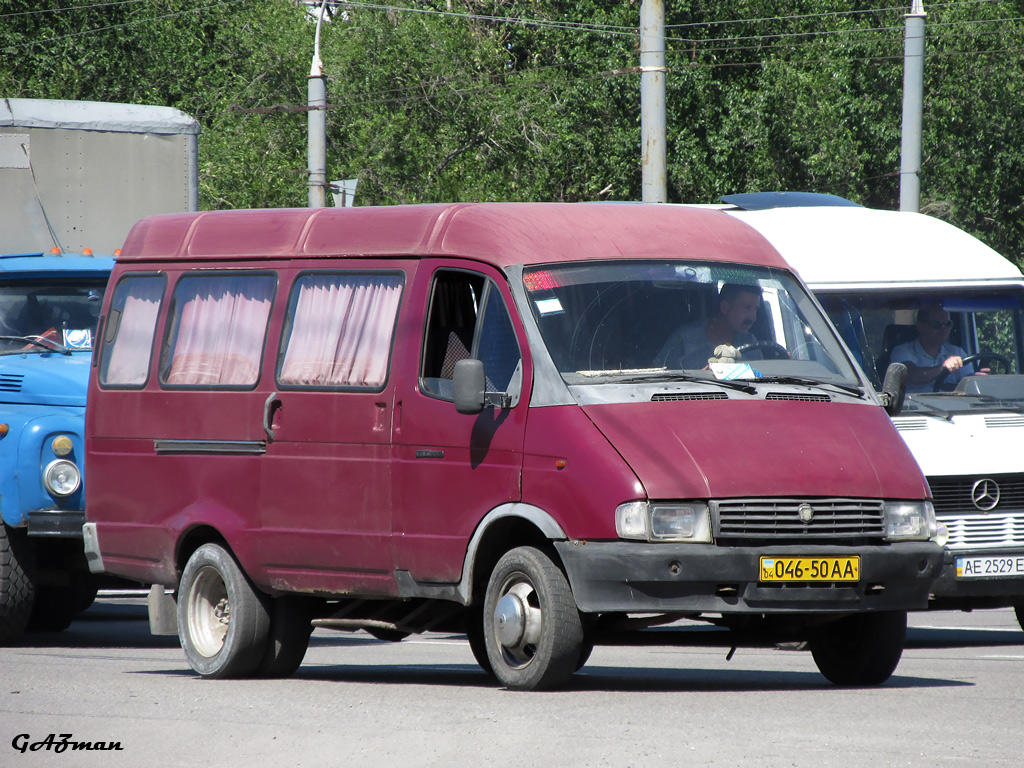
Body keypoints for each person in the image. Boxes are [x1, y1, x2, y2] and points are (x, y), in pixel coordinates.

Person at [656, 283, 763, 369]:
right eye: (746, 307)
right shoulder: (685, 338)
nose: (753, 318)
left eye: (755, 309)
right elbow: (656, 376)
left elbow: (762, 381)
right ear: (725, 307)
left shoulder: (751, 344)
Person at [890, 305, 975, 392]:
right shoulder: (902, 351)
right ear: (920, 326)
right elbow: (913, 376)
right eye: (937, 324)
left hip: (953, 404)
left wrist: (978, 379)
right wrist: (942, 368)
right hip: (914, 405)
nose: (944, 329)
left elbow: (969, 386)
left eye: (948, 324)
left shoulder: (957, 352)